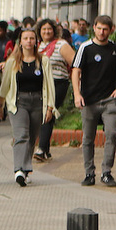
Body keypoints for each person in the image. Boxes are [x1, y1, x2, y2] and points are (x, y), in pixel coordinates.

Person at [0, 28, 56, 186]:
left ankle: (26, 169)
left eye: (32, 38)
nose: (29, 41)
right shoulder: (13, 61)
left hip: (38, 101)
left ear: (36, 42)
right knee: (21, 135)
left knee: (31, 137)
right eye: (26, 38)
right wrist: (0, 104)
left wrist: (50, 107)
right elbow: (5, 84)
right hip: (18, 102)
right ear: (20, 42)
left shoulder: (43, 61)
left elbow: (49, 85)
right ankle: (19, 170)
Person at [72, 15, 116, 187]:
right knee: (88, 137)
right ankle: (89, 173)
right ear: (93, 28)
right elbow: (75, 71)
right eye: (99, 28)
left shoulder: (115, 49)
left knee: (111, 135)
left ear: (111, 30)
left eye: (105, 29)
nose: (102, 32)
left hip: (110, 100)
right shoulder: (85, 48)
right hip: (89, 100)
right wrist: (77, 94)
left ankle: (106, 172)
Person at [34, 19, 76, 162]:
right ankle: (45, 150)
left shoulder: (61, 45)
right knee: (45, 114)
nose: (46, 32)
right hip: (41, 85)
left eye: (49, 29)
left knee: (48, 112)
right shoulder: (37, 46)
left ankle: (41, 149)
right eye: (43, 29)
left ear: (54, 30)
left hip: (58, 83)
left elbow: (75, 62)